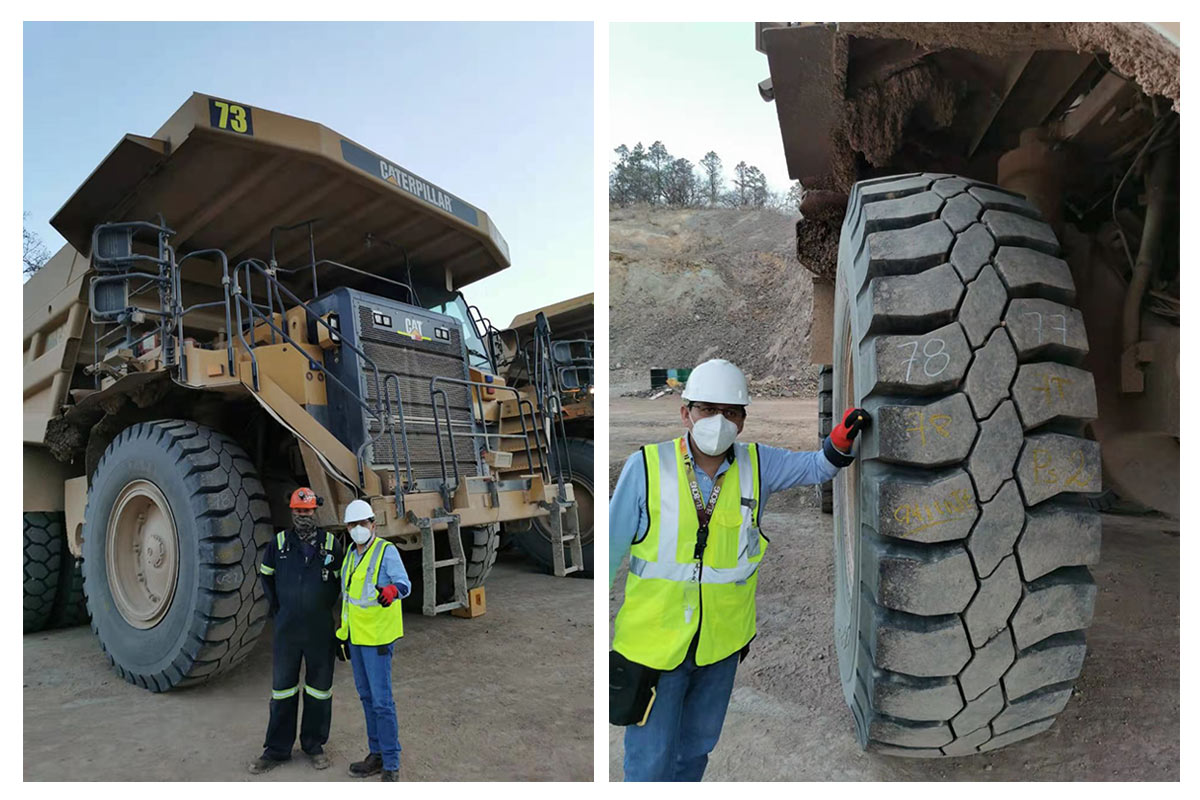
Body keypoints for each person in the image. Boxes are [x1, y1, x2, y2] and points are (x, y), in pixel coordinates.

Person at [609, 358, 870, 782]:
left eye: (730, 412)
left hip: (720, 647)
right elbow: (609, 550)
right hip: (654, 650)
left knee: (695, 752)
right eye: (707, 410)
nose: (718, 421)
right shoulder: (646, 468)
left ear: (743, 421)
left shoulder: (759, 465)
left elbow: (815, 467)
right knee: (649, 762)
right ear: (685, 413)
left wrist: (839, 442)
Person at [249, 487, 344, 774]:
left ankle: (314, 745)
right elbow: (267, 578)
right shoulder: (278, 544)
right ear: (292, 512)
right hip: (288, 630)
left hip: (320, 630)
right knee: (283, 690)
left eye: (308, 511)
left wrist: (322, 607)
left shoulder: (331, 544)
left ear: (316, 511)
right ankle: (277, 750)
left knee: (319, 690)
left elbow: (341, 584)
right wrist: (281, 610)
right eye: (299, 511)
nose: (303, 516)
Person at [336, 498, 411, 782]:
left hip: (378, 639)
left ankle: (391, 762)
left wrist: (392, 590)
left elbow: (405, 584)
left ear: (373, 525)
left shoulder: (385, 551)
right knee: (367, 698)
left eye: (362, 524)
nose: (358, 529)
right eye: (353, 525)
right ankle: (376, 754)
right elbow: (349, 600)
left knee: (381, 702)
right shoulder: (351, 556)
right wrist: (342, 635)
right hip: (356, 638)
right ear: (347, 527)